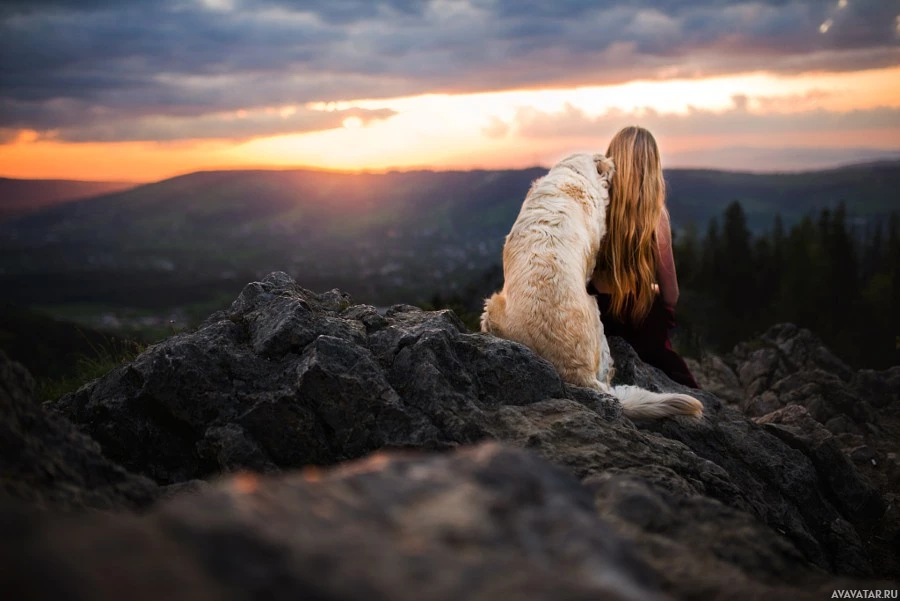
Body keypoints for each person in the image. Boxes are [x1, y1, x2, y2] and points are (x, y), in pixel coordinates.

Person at [587, 126, 700, 389]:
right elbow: (671, 296)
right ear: (651, 167)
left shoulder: (592, 207)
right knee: (691, 398)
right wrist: (649, 289)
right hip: (640, 325)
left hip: (596, 320)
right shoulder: (655, 218)